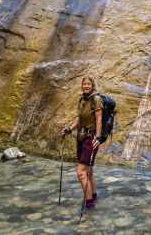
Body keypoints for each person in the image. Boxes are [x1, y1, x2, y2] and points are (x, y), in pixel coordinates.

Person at [62, 75, 103, 209]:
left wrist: (97, 137)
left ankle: (89, 202)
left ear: (92, 86)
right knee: (88, 171)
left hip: (91, 138)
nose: (86, 86)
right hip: (81, 137)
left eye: (88, 84)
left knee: (81, 172)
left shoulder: (96, 99)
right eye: (84, 84)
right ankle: (94, 195)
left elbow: (99, 119)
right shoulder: (82, 100)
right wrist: (69, 129)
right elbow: (79, 120)